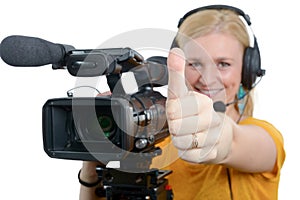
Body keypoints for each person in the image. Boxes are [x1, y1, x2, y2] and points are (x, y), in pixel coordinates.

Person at [79, 5, 285, 200]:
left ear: (247, 72)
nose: (207, 78)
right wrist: (93, 156)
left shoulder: (264, 136)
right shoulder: (150, 140)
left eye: (223, 64)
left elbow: (233, 141)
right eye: (194, 64)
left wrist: (219, 139)